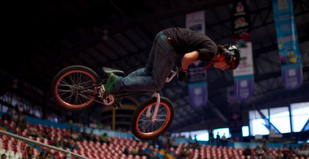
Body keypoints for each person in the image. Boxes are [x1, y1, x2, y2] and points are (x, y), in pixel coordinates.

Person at [101, 27, 240, 108]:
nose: (222, 68)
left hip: (162, 37)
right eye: (226, 66)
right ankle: (117, 83)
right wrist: (183, 71)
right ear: (224, 57)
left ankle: (117, 89)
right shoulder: (211, 52)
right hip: (169, 45)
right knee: (156, 83)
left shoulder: (211, 47)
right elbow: (187, 57)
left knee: (148, 71)